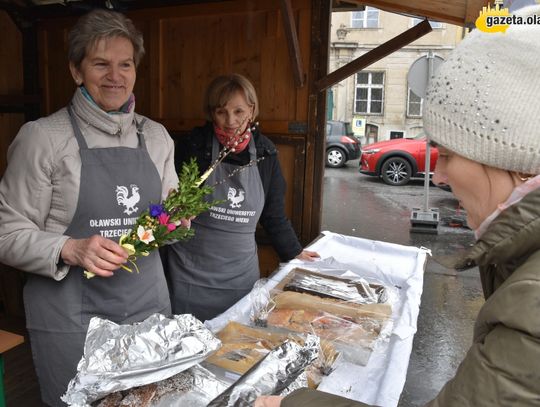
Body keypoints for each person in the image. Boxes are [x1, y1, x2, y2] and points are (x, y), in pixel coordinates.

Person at [255, 4, 540, 407]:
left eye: (448, 155)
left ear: (514, 163)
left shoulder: (532, 301)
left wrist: (292, 404)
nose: (438, 176)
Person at [0, 9, 178, 406]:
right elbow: (5, 232)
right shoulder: (43, 139)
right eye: (101, 64)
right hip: (74, 323)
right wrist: (69, 248)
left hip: (148, 313)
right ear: (77, 71)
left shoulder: (157, 137)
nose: (115, 75)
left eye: (125, 64)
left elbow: (166, 215)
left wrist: (176, 221)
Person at [163, 74, 319, 322]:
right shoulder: (193, 146)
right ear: (211, 112)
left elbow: (273, 214)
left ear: (252, 111)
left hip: (239, 278)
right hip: (189, 275)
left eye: (238, 111)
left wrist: (294, 252)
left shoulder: (265, 153)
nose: (230, 121)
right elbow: (168, 204)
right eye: (221, 112)